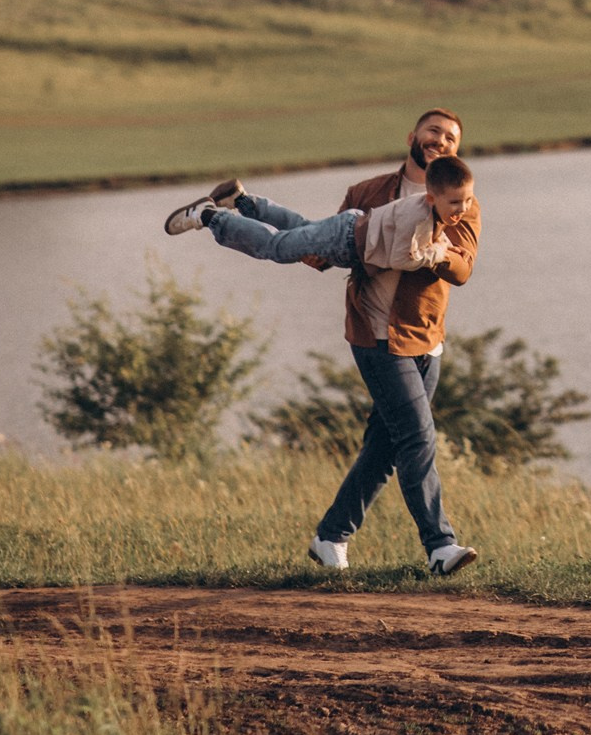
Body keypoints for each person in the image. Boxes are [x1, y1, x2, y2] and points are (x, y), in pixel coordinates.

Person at [163, 108, 482, 578]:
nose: (441, 140)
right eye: (434, 131)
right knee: (416, 437)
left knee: (384, 447)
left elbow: (464, 268)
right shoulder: (370, 192)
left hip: (425, 338)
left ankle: (331, 536)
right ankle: (440, 546)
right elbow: (329, 249)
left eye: (451, 137)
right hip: (377, 337)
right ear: (412, 136)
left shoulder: (462, 199)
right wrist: (419, 252)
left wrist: (441, 252)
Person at [164, 154, 474, 280]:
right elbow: (401, 259)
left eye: (467, 201)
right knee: (276, 247)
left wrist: (442, 241)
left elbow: (429, 232)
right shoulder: (418, 218)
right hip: (346, 241)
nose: (463, 209)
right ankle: (210, 217)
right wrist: (439, 253)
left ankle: (241, 201)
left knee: (298, 227)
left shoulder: (428, 208)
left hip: (351, 228)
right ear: (433, 197)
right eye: (456, 202)